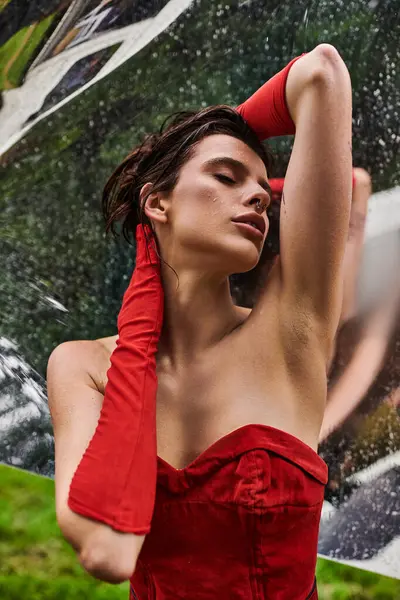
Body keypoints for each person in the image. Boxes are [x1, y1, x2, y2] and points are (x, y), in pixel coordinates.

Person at [47, 45, 352, 599]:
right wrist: (139, 332)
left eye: (263, 187)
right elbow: (107, 545)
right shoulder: (84, 366)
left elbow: (321, 75)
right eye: (227, 176)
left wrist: (213, 133)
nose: (259, 195)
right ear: (157, 205)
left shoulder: (290, 330)